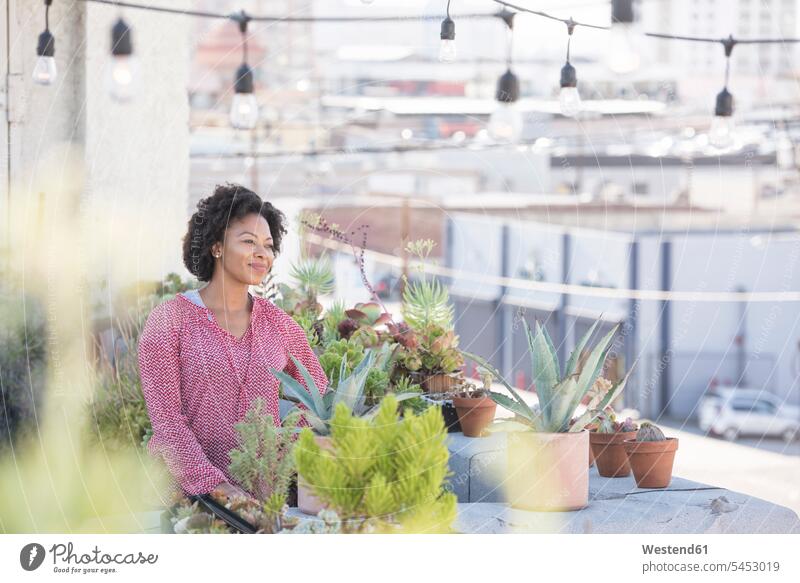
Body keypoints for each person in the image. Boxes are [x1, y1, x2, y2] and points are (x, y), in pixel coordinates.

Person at [138, 183, 327, 500]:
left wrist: (279, 452)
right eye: (248, 242)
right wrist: (217, 487)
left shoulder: (279, 325)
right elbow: (168, 423)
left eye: (268, 246)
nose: (262, 254)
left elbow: (317, 392)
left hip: (259, 501)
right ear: (217, 246)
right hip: (184, 500)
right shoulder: (169, 321)